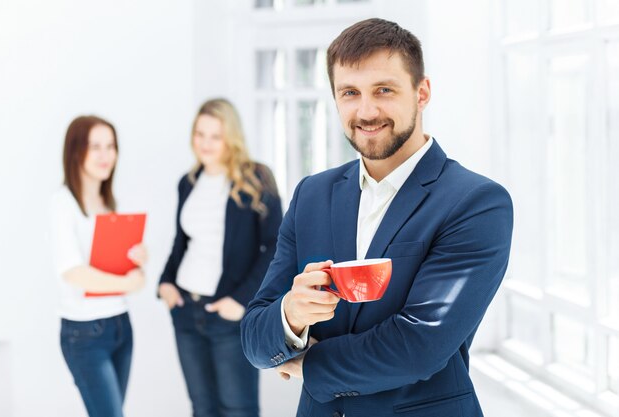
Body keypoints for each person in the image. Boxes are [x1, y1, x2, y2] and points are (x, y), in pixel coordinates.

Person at [241, 18, 514, 417]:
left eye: (383, 90)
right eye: (349, 93)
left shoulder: (477, 202)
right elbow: (253, 335)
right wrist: (291, 315)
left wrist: (309, 364)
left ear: (422, 93)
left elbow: (420, 345)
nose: (366, 111)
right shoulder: (311, 195)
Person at [158, 98, 282, 417]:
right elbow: (182, 242)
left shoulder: (256, 179)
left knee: (238, 409)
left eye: (215, 136)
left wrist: (241, 301)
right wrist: (166, 283)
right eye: (200, 134)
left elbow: (276, 247)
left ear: (231, 137)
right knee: (202, 408)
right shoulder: (188, 183)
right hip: (186, 310)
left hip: (228, 315)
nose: (206, 143)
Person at [49, 115, 147, 417]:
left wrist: (138, 260)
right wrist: (130, 283)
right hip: (84, 332)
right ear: (76, 151)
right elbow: (73, 272)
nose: (106, 155)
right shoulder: (62, 203)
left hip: (120, 324)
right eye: (96, 147)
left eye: (111, 146)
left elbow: (113, 266)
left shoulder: (109, 204)